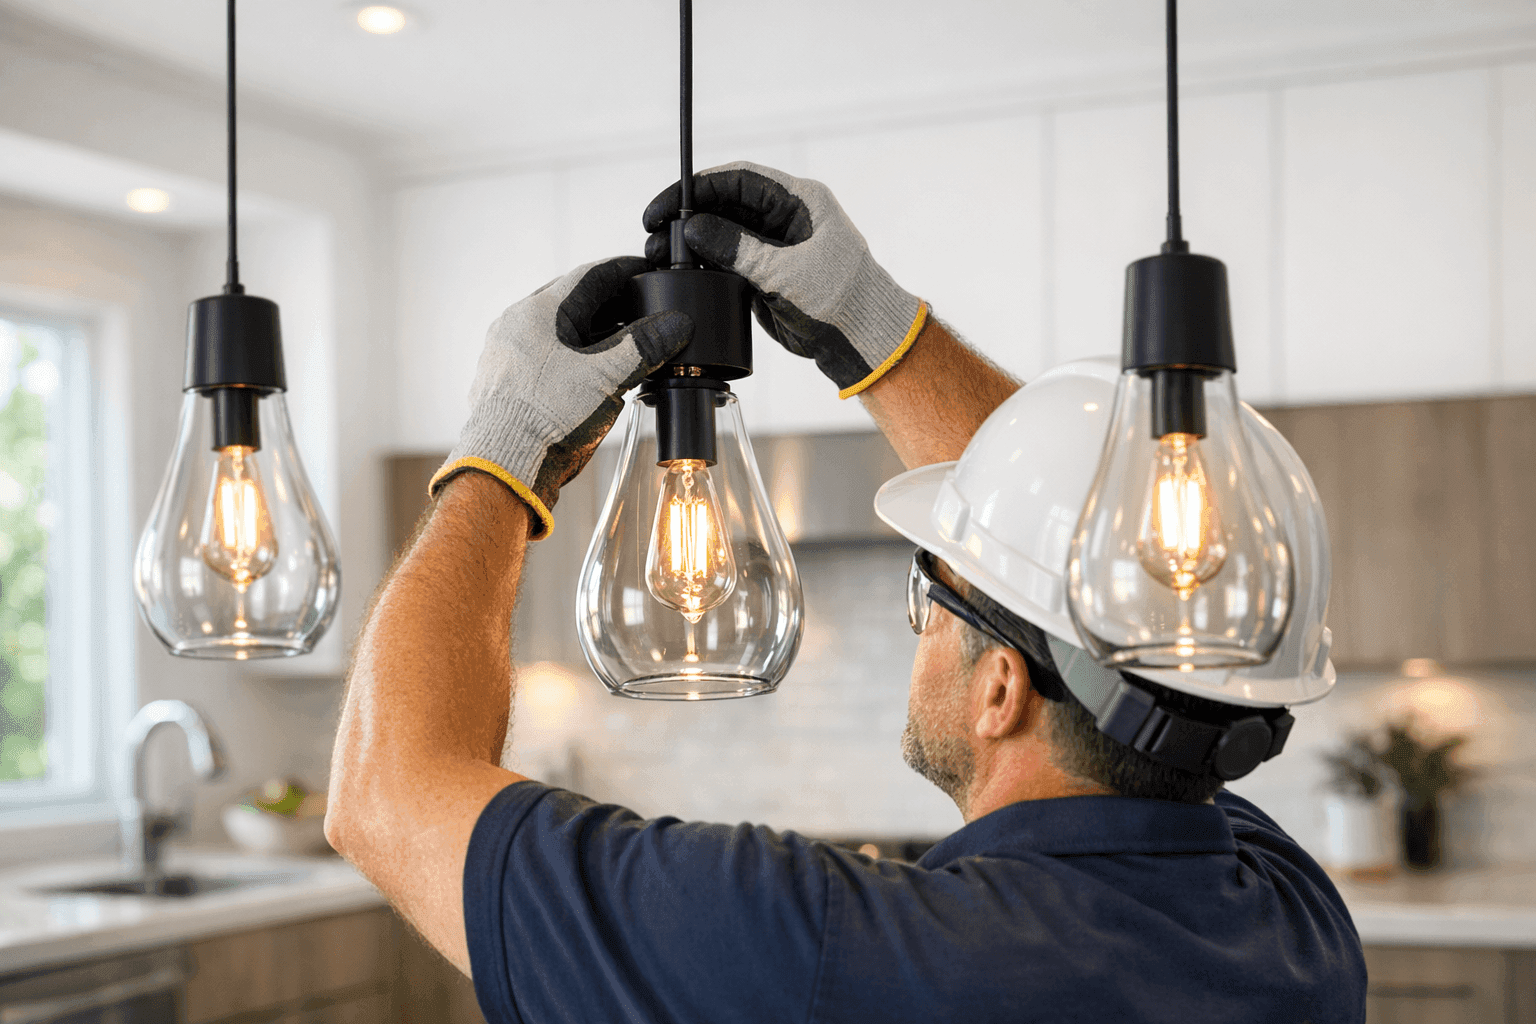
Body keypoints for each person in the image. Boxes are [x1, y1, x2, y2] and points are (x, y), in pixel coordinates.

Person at [327, 162, 1368, 1023]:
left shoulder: (824, 951)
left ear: (1000, 687)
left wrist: (503, 445)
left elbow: (385, 795)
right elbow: (1119, 596)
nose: (919, 621)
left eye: (932, 595)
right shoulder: (1290, 926)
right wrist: (869, 321)